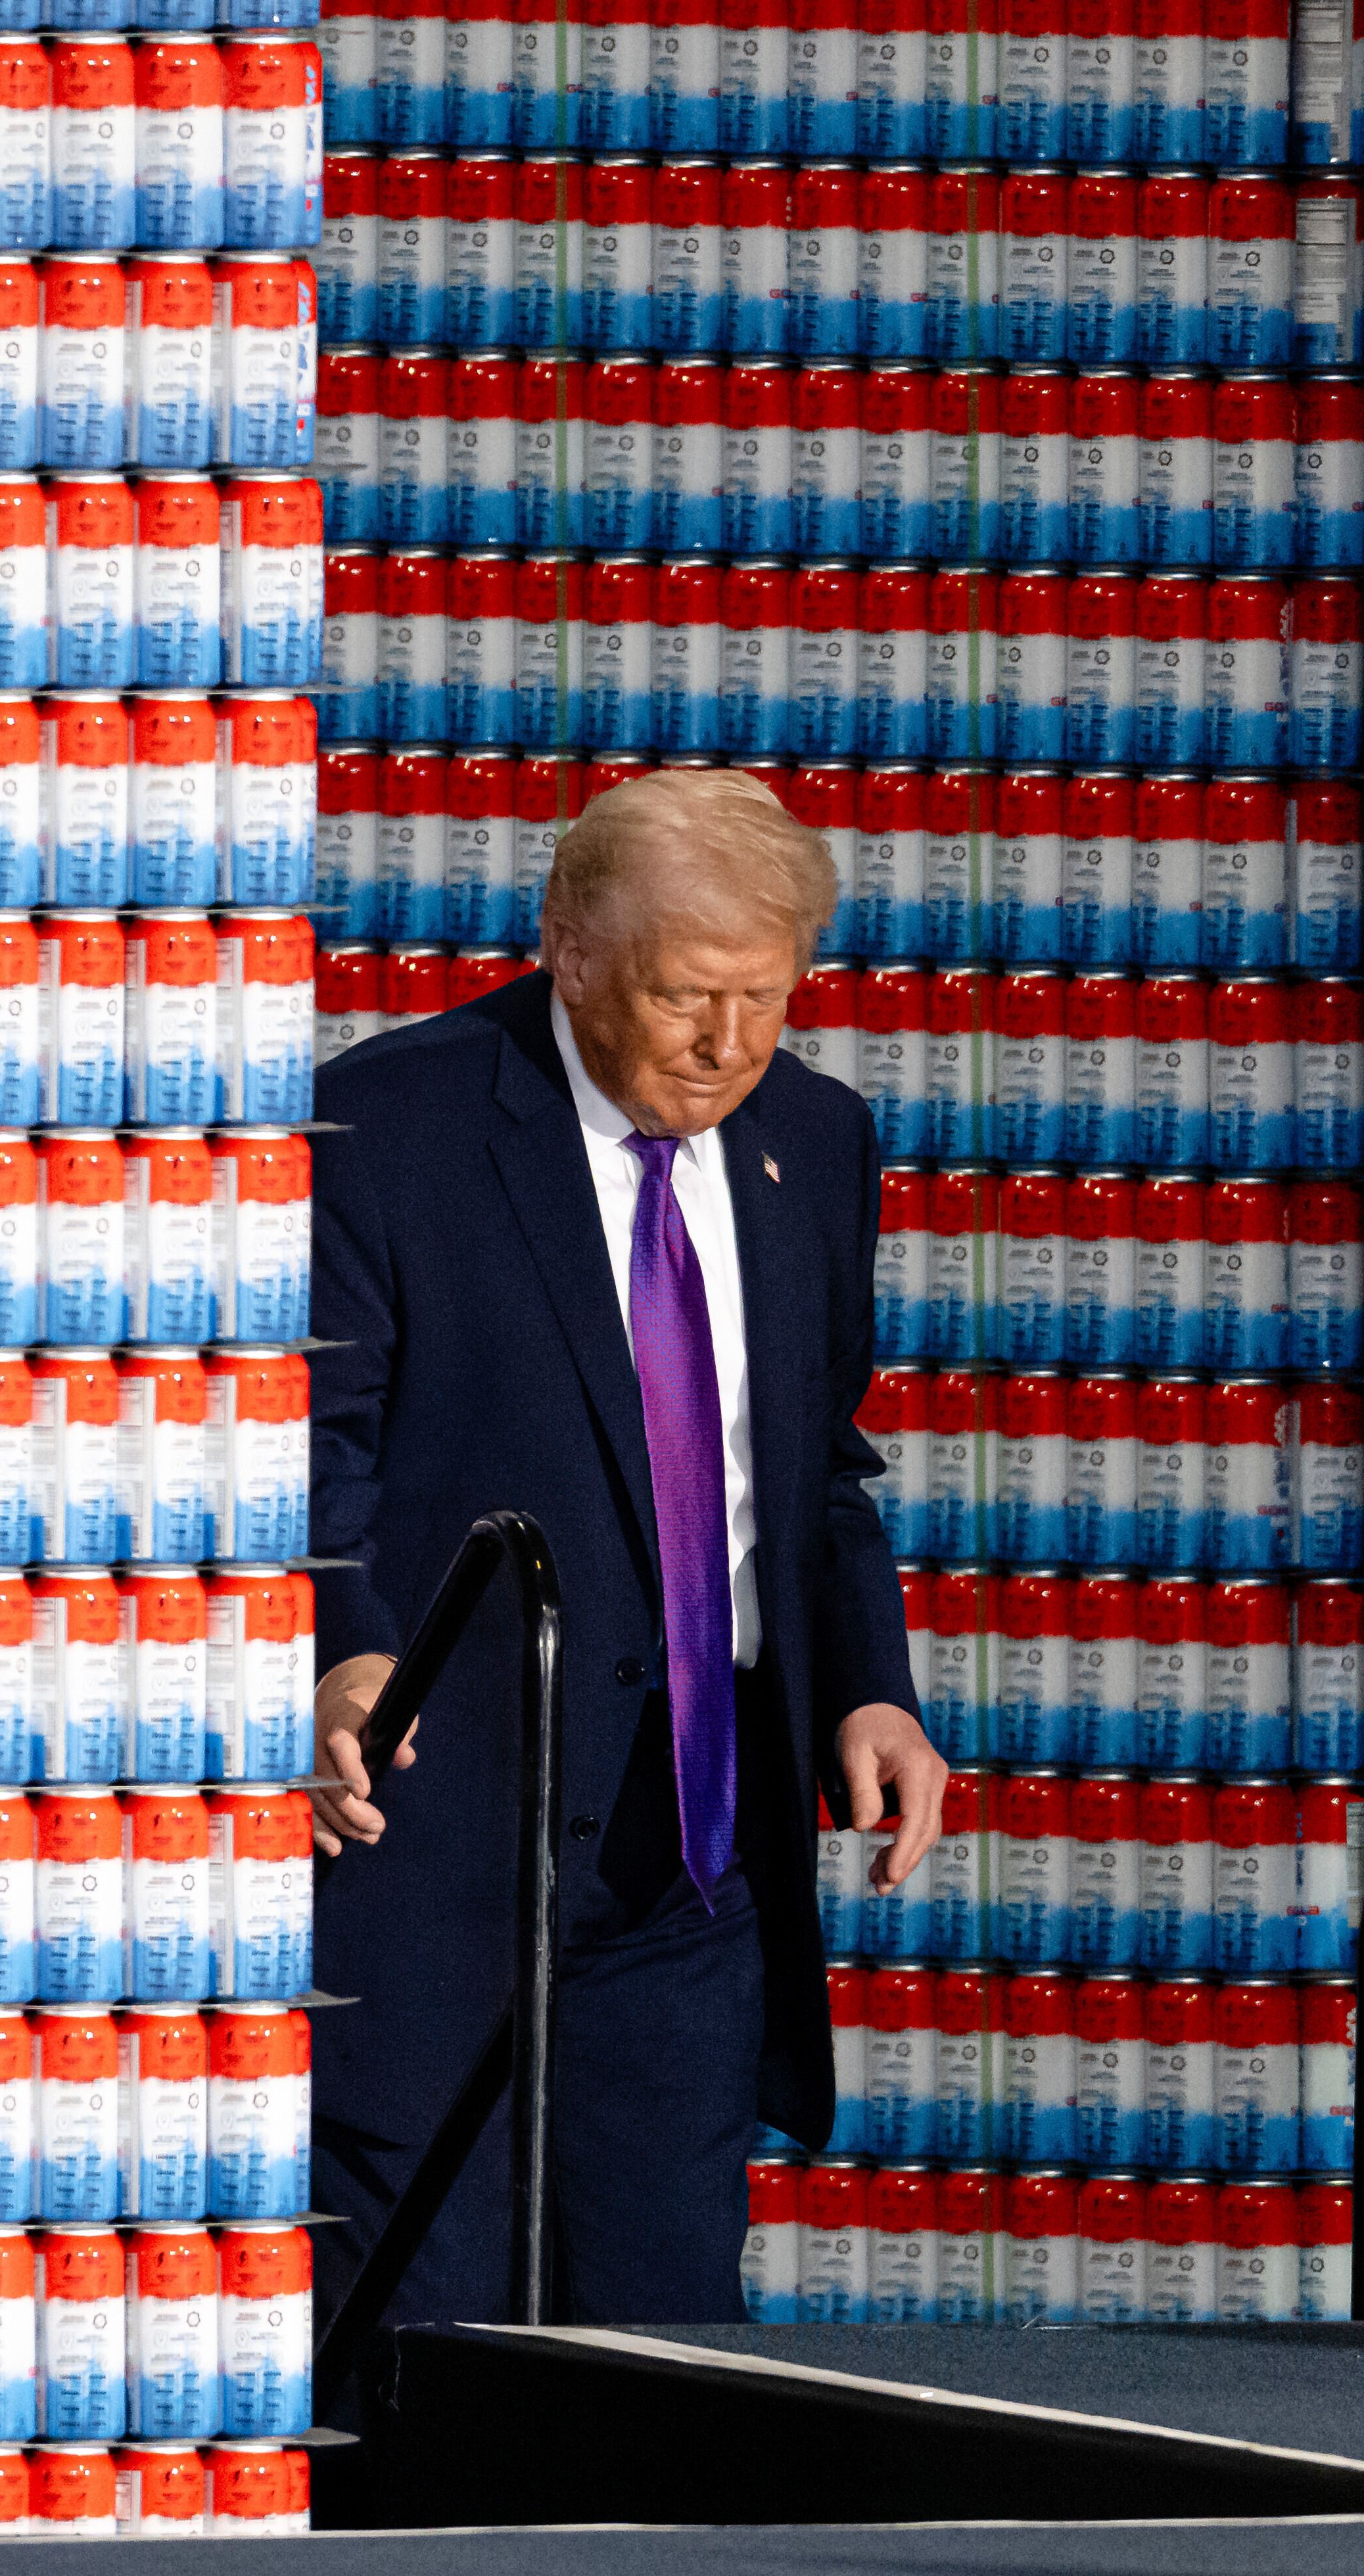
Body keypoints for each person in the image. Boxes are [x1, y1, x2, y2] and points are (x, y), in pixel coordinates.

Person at [306, 768, 950, 2345]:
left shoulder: (817, 1138)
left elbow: (813, 1470)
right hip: (444, 1836)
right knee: (430, 2369)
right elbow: (303, 1448)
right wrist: (341, 1646)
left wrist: (873, 1690)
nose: (729, 1046)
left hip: (693, 1845)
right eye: (686, 996)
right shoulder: (390, 1125)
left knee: (662, 2363)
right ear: (573, 951)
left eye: (766, 998)